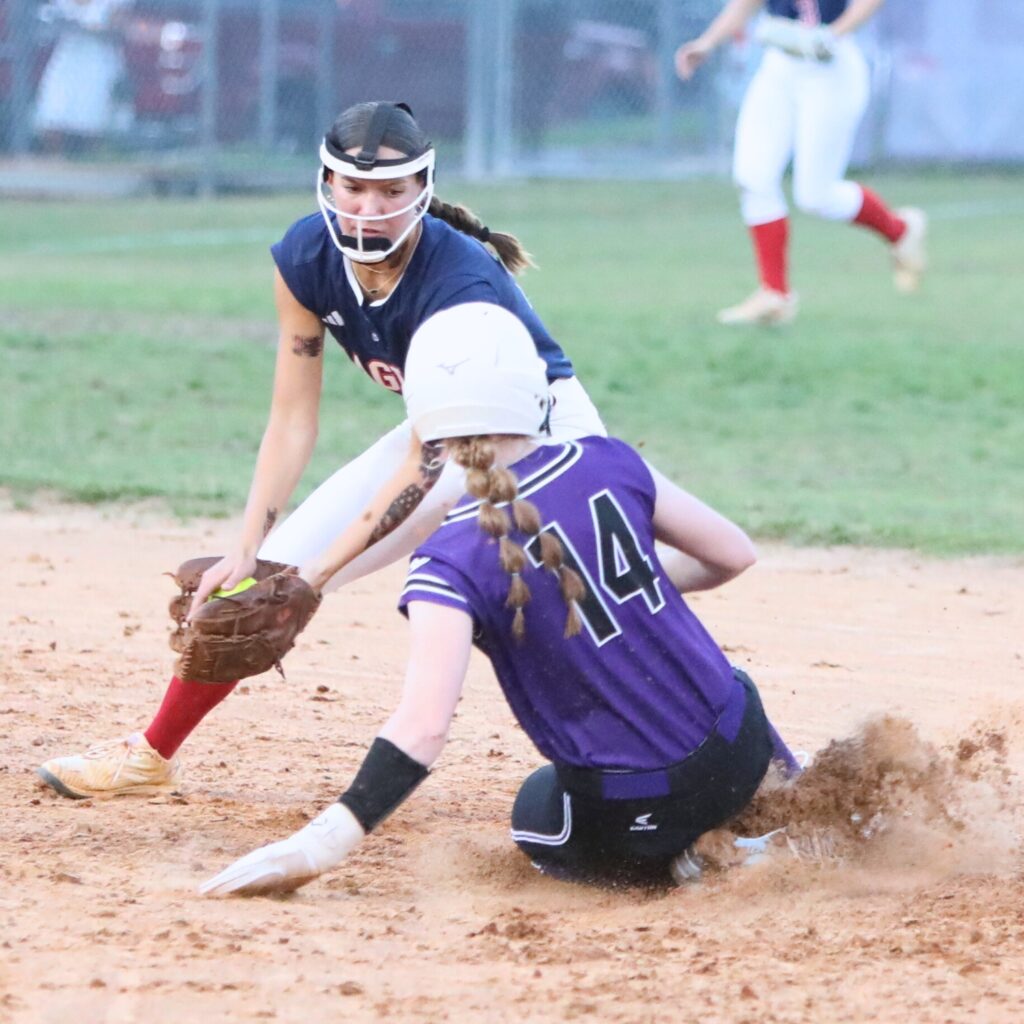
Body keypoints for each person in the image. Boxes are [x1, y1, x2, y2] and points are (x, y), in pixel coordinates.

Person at [36, 100, 610, 801]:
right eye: (354, 187)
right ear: (326, 182)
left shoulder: (461, 283)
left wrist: (313, 581)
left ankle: (725, 757)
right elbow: (291, 420)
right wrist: (249, 547)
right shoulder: (307, 256)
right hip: (440, 431)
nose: (370, 208)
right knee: (252, 586)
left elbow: (431, 465)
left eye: (391, 191)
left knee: (584, 618)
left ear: (422, 190)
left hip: (546, 443)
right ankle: (148, 757)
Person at [199, 302, 800, 896]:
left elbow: (424, 730)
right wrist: (606, 591)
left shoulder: (448, 560)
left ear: (427, 421)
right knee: (728, 686)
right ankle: (798, 800)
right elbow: (732, 554)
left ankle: (691, 862)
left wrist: (319, 843)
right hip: (741, 750)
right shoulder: (610, 458)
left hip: (646, 804)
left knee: (539, 814)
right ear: (537, 392)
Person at [675, 0, 928, 326]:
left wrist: (833, 33)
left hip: (830, 66)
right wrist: (707, 43)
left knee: (816, 196)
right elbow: (745, 4)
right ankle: (774, 294)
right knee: (752, 175)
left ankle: (901, 230)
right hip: (780, 65)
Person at [33, 0, 132, 154]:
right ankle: (56, 159)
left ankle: (93, 160)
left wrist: (94, 28)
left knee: (94, 113)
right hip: (68, 55)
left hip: (99, 58)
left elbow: (119, 27)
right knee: (53, 110)